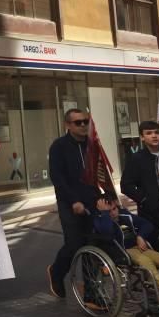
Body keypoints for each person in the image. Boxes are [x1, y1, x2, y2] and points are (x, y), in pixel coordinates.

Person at [46, 108, 99, 300]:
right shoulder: (59, 146)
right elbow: (57, 178)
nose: (84, 125)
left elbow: (101, 174)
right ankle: (57, 272)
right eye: (78, 122)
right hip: (69, 202)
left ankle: (92, 293)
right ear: (68, 125)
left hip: (92, 201)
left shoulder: (93, 146)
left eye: (85, 121)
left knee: (94, 245)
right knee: (74, 244)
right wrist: (73, 200)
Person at [93, 197, 159, 305]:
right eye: (109, 210)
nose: (113, 213)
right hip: (123, 252)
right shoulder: (99, 220)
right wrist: (104, 213)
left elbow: (147, 224)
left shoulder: (124, 215)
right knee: (146, 263)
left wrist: (140, 236)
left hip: (139, 247)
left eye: (114, 209)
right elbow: (108, 232)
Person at [120, 120, 159, 258]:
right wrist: (144, 199)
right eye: (149, 133)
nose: (154, 136)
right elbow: (126, 185)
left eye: (157, 132)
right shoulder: (137, 159)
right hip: (150, 215)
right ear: (142, 137)